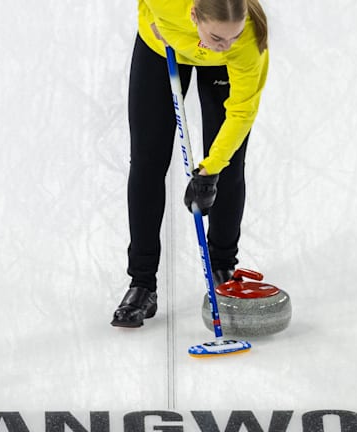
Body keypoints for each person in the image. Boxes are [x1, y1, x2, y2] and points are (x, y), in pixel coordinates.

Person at [112, 0, 270, 328]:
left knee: (228, 164)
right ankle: (142, 284)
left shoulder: (245, 41)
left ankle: (222, 268)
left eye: (233, 36)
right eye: (218, 38)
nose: (226, 45)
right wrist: (150, 15)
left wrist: (210, 169)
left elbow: (242, 112)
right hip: (162, 45)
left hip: (221, 68)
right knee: (147, 162)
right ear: (194, 14)